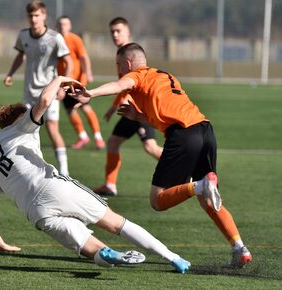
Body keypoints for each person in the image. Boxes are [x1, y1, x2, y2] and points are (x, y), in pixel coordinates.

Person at [0, 75, 191, 273]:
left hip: (37, 213)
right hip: (51, 187)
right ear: (17, 119)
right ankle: (173, 258)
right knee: (117, 223)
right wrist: (59, 79)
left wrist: (1, 245)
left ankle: (107, 254)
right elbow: (43, 101)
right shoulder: (20, 128)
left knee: (89, 247)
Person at [72, 43, 252, 269]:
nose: (119, 70)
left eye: (119, 65)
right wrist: (140, 117)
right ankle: (239, 248)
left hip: (184, 134)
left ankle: (200, 185)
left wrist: (91, 93)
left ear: (128, 64)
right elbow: (168, 115)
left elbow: (121, 84)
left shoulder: (137, 75)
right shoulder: (165, 76)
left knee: (158, 200)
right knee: (209, 199)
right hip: (205, 130)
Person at [93, 17, 162, 196]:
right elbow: (122, 84)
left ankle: (186, 168)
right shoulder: (122, 53)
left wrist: (121, 101)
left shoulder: (131, 54)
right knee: (114, 142)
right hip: (130, 108)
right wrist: (113, 106)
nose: (115, 35)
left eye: (118, 31)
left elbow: (133, 83)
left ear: (128, 32)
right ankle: (110, 185)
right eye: (112, 32)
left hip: (138, 109)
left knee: (150, 147)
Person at [3, 1, 72, 176]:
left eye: (37, 15)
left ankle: (64, 171)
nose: (34, 19)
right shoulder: (23, 35)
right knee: (27, 130)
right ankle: (28, 170)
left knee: (52, 128)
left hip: (49, 93)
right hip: (29, 93)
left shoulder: (55, 38)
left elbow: (68, 62)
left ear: (44, 16)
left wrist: (63, 87)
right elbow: (20, 56)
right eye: (31, 16)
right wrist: (10, 73)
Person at [56, 15, 105, 150]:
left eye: (65, 24)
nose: (62, 26)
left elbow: (84, 57)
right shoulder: (55, 40)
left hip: (77, 80)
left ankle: (98, 137)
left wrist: (88, 72)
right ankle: (83, 136)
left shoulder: (74, 39)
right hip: (63, 82)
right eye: (60, 24)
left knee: (85, 107)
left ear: (70, 26)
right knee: (70, 110)